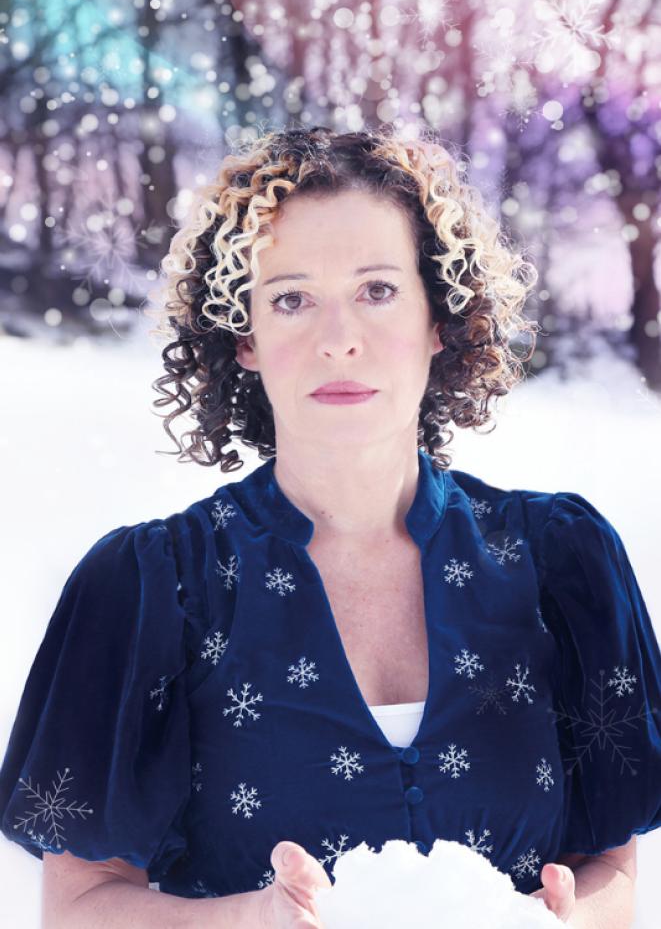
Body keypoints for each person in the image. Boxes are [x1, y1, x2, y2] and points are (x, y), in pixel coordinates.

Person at [1, 125, 659, 929]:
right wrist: (252, 919)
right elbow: (76, 906)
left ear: (439, 318)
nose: (338, 337)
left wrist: (565, 920)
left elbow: (611, 866)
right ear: (244, 336)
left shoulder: (562, 561)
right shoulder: (149, 586)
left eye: (377, 290)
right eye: (291, 298)